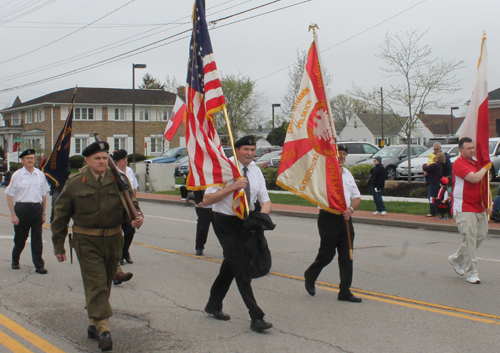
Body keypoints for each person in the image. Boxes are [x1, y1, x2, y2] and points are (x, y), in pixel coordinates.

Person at [51, 141, 144, 351]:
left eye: (104, 158)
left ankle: (93, 323)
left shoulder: (118, 179)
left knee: (106, 285)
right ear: (87, 160)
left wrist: (138, 218)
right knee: (97, 283)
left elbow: (132, 205)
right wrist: (59, 246)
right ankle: (104, 329)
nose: (102, 162)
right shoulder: (76, 183)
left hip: (113, 240)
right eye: (97, 159)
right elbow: (60, 216)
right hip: (86, 241)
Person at [203, 135, 273, 332]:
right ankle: (256, 316)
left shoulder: (256, 171)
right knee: (241, 266)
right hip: (225, 221)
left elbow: (266, 201)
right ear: (237, 150)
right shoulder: (224, 169)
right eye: (246, 150)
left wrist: (258, 219)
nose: (250, 154)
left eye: (252, 150)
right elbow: (208, 199)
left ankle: (213, 304)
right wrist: (232, 186)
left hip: (247, 221)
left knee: (231, 265)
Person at [304, 144, 362, 303]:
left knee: (347, 256)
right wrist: (334, 173)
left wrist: (351, 209)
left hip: (345, 219)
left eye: (344, 154)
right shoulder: (324, 173)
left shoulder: (348, 174)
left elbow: (356, 196)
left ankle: (344, 291)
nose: (341, 156)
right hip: (328, 218)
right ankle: (310, 274)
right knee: (327, 254)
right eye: (339, 153)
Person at [448, 137, 491, 285]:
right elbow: (474, 179)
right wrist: (485, 167)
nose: (472, 150)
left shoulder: (476, 163)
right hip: (464, 207)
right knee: (470, 238)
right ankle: (472, 273)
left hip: (478, 206)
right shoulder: (458, 163)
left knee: (481, 235)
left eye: (473, 148)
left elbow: (484, 184)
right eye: (469, 148)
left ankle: (456, 259)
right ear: (461, 150)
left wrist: (487, 203)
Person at [6, 149, 49, 273]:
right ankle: (15, 260)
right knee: (20, 238)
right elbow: (9, 195)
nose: (30, 160)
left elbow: (44, 195)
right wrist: (13, 215)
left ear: (35, 160)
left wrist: (43, 213)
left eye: (32, 158)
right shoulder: (17, 175)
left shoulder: (40, 174)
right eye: (27, 158)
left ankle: (39, 265)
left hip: (36, 208)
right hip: (22, 209)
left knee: (37, 238)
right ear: (22, 161)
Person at [111, 149, 139, 266]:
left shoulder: (129, 171)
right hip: (117, 207)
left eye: (126, 159)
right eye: (122, 159)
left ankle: (125, 251)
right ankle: (120, 255)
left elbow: (134, 188)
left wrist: (134, 204)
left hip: (129, 205)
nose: (125, 161)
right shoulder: (113, 172)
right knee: (117, 232)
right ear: (116, 161)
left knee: (130, 230)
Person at [422, 152, 443, 217]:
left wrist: (425, 164)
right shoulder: (439, 165)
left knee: (431, 197)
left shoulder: (435, 165)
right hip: (436, 183)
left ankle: (432, 212)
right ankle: (436, 210)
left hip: (433, 183)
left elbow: (425, 168)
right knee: (434, 197)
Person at [194, 190, 213, 256]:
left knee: (223, 229)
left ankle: (226, 249)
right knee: (202, 228)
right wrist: (198, 200)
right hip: (204, 206)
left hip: (218, 206)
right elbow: (196, 186)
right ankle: (199, 247)